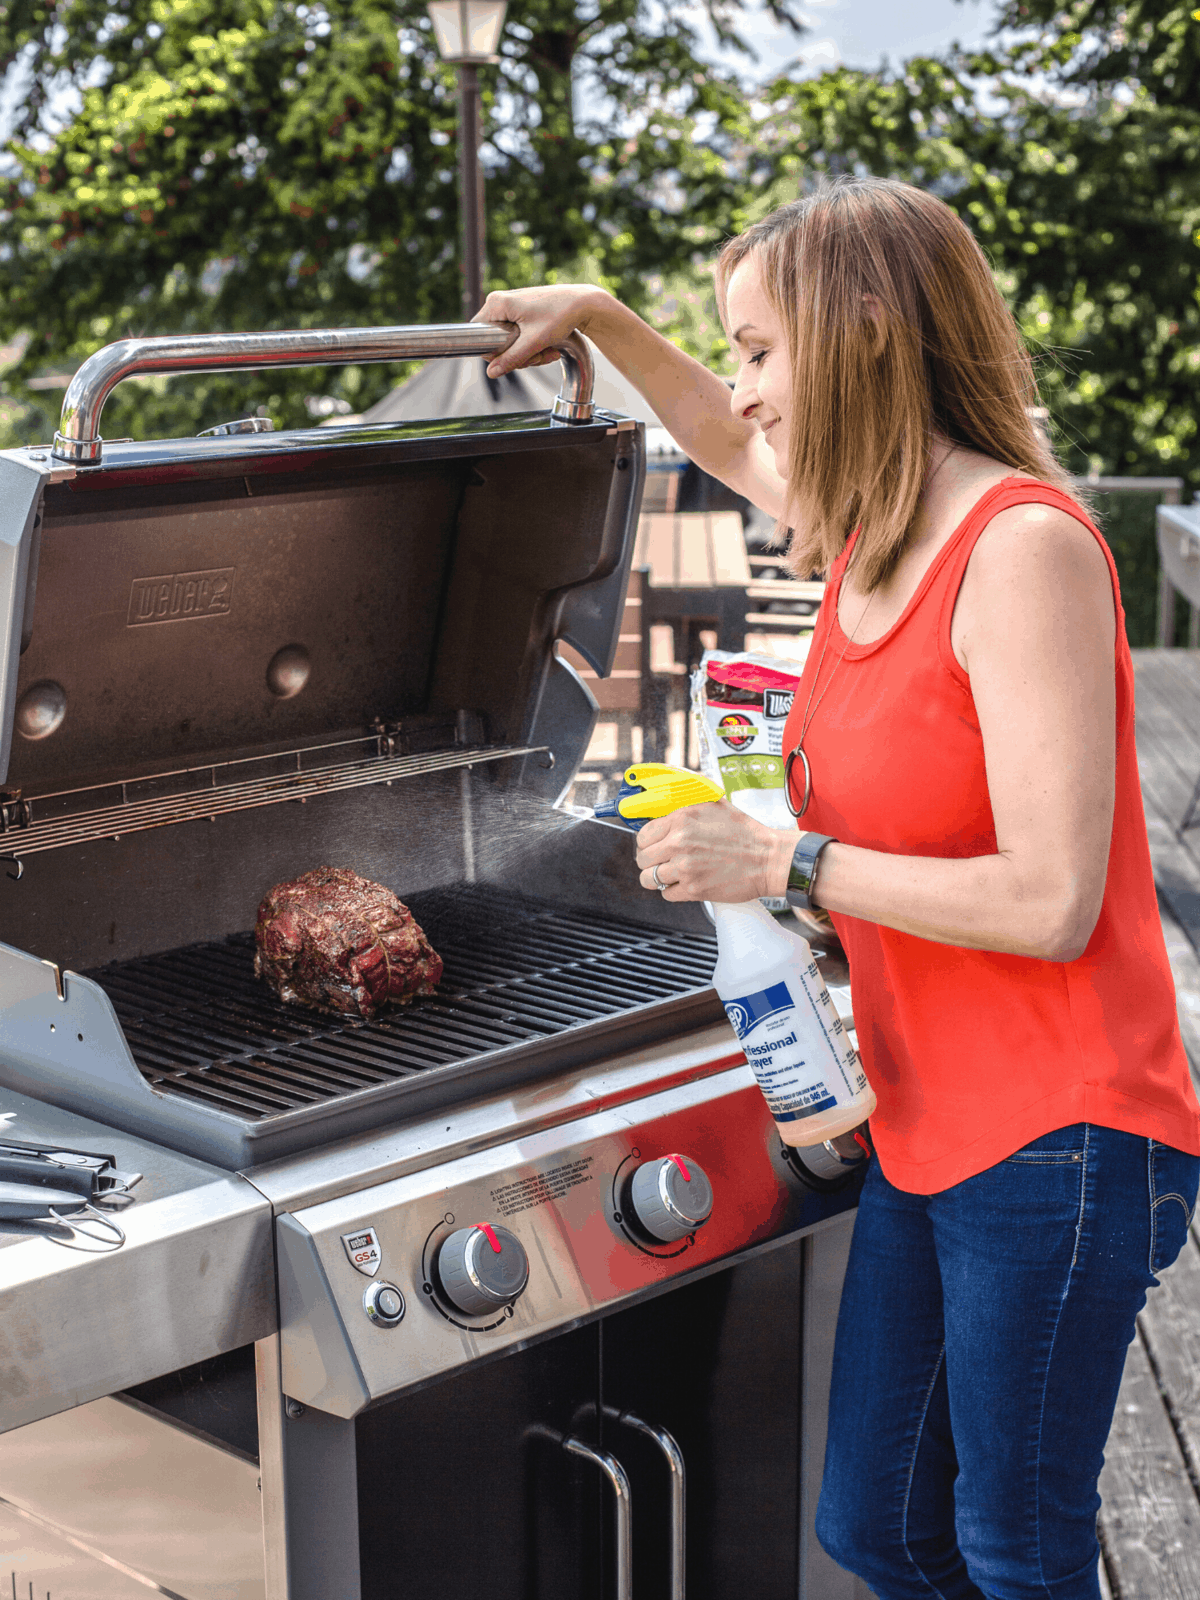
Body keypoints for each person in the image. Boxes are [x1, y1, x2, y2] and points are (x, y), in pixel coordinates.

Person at [476, 176, 1200, 1600]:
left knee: (1019, 1549)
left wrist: (788, 864)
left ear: (864, 326)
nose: (741, 391)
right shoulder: (874, 528)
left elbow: (1054, 898)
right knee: (874, 1528)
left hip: (1059, 1137)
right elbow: (707, 434)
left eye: (758, 350)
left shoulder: (1023, 550)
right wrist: (605, 319)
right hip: (930, 1121)